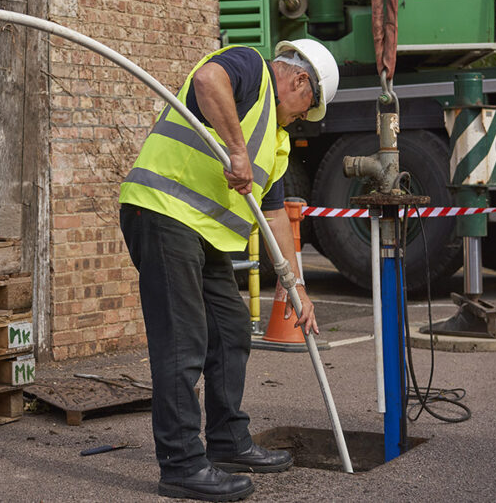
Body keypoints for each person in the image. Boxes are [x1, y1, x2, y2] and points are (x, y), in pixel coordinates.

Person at [119, 39, 339, 501]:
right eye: (305, 110)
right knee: (183, 340)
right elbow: (206, 80)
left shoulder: (276, 143)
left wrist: (297, 288)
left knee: (231, 328)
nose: (299, 119)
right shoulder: (249, 66)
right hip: (163, 211)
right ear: (300, 81)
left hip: (203, 233)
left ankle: (227, 442)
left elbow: (275, 216)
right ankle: (181, 465)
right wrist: (236, 149)